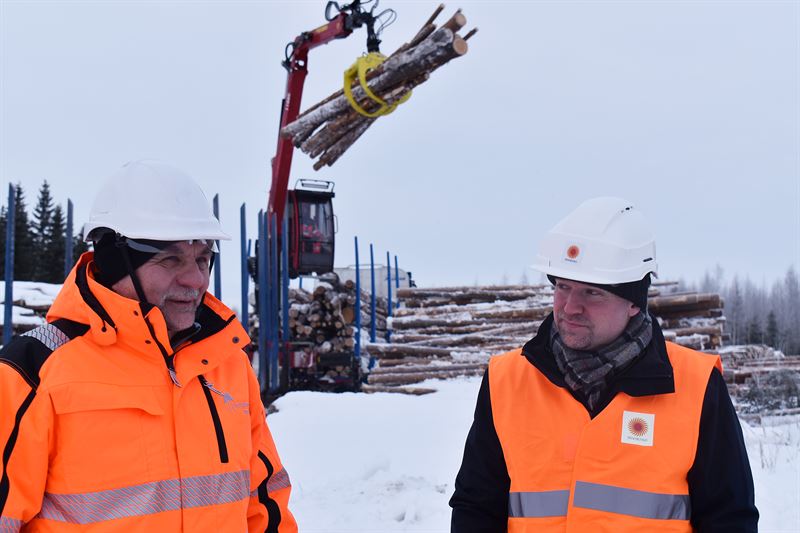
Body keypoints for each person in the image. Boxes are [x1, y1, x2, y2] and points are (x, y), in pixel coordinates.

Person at [0, 161, 297, 532]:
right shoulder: (32, 371)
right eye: (171, 259)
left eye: (203, 259)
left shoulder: (227, 364)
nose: (195, 280)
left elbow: (265, 506)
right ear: (116, 262)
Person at [450, 197, 757, 532]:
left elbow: (729, 518)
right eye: (563, 287)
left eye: (592, 293)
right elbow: (476, 507)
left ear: (634, 303)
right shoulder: (506, 380)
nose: (570, 307)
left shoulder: (696, 386)